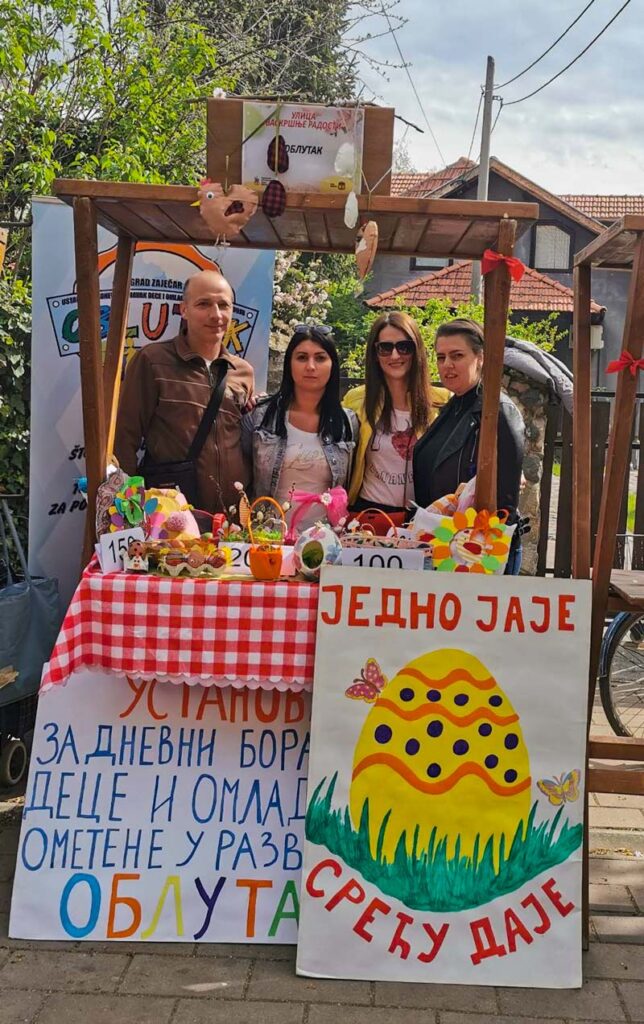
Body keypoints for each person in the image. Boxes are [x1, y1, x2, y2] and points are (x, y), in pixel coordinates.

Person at [114, 270, 254, 514]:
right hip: (169, 516)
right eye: (203, 304)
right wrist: (129, 509)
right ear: (184, 310)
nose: (216, 314)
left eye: (224, 305)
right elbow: (123, 437)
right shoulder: (153, 360)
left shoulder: (242, 371)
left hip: (232, 519)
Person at [413, 317, 525, 572]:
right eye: (441, 357)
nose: (447, 365)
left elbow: (505, 501)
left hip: (476, 552)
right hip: (444, 544)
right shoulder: (451, 409)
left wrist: (479, 551)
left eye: (457, 356)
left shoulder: (497, 412)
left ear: (480, 358)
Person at [242, 324, 358, 533]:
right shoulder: (260, 416)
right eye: (302, 357)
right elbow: (242, 478)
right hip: (267, 537)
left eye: (320, 358)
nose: (311, 366)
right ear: (289, 364)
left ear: (333, 365)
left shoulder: (347, 423)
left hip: (324, 539)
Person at [343, 311, 449, 526]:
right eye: (385, 348)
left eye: (404, 347)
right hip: (369, 516)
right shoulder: (356, 400)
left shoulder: (444, 402)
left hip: (424, 518)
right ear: (375, 353)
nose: (394, 355)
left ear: (416, 351)